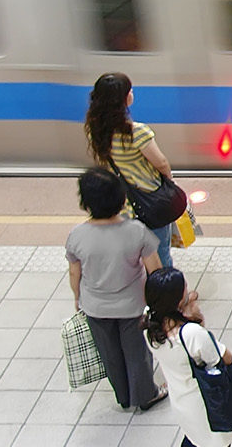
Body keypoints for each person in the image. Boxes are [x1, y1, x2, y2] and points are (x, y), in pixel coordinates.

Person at [66, 167, 166, 412]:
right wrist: (160, 303)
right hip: (131, 305)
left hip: (95, 307)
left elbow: (74, 273)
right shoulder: (136, 231)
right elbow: (155, 270)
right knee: (137, 354)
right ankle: (145, 395)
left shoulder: (77, 235)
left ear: (86, 203)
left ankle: (122, 396)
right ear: (121, 199)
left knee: (110, 354)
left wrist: (78, 298)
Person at [144, 267, 232, 447]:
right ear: (178, 300)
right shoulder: (190, 333)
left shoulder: (149, 325)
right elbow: (223, 357)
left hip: (180, 398)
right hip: (205, 403)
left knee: (192, 435)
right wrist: (198, 321)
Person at [86, 72, 178, 268]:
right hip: (151, 201)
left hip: (123, 204)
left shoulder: (97, 131)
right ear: (125, 99)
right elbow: (161, 163)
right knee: (161, 255)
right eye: (130, 90)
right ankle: (170, 297)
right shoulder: (137, 132)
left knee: (136, 255)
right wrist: (170, 183)